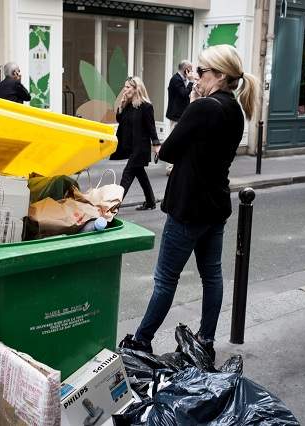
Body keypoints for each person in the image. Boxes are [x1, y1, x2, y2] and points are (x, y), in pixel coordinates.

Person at [119, 45, 260, 360]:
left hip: (187, 208)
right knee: (212, 275)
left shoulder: (203, 108)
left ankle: (141, 341)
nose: (196, 76)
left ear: (219, 75)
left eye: (201, 71)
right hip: (215, 206)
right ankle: (205, 340)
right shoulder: (235, 110)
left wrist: (193, 105)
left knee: (165, 279)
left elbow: (166, 151)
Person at [109, 76, 160, 211]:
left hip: (140, 148)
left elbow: (151, 128)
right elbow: (120, 119)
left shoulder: (146, 107)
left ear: (136, 89)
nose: (124, 89)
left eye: (127, 87)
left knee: (127, 174)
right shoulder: (129, 105)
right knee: (140, 174)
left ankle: (114, 206)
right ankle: (150, 202)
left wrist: (156, 145)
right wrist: (122, 103)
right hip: (130, 147)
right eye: (124, 86)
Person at [164, 61, 195, 176]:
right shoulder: (176, 79)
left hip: (180, 114)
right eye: (190, 70)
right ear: (186, 69)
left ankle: (175, 164)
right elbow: (184, 94)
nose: (191, 72)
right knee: (173, 139)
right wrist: (191, 81)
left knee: (178, 139)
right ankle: (170, 167)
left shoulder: (182, 79)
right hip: (176, 115)